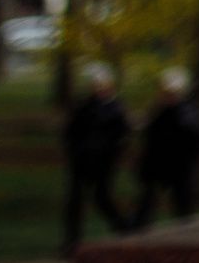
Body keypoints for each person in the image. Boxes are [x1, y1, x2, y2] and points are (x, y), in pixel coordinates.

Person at [61, 63, 131, 255]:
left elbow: (122, 136)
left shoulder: (115, 109)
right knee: (75, 200)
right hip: (82, 161)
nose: (99, 89)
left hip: (102, 162)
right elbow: (71, 132)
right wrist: (76, 149)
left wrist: (110, 152)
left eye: (102, 85)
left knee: (102, 198)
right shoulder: (83, 108)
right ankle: (72, 241)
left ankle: (124, 229)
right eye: (96, 85)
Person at [133, 66, 199, 228]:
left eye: (171, 93)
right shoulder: (160, 113)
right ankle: (137, 229)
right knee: (147, 197)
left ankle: (186, 229)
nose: (167, 96)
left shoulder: (187, 113)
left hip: (178, 165)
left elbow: (194, 139)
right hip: (157, 164)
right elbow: (151, 137)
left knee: (182, 201)